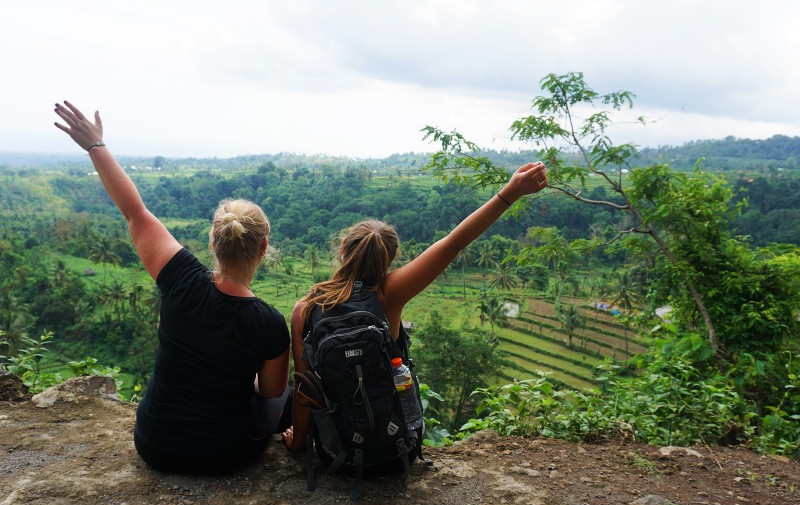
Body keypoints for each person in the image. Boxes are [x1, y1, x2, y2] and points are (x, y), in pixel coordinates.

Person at [53, 101, 290, 473]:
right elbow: (271, 391)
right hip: (225, 455)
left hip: (155, 444)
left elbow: (135, 212)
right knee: (284, 395)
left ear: (213, 242)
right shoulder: (269, 323)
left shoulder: (180, 278)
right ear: (263, 249)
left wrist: (96, 146)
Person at [282, 160, 549, 460]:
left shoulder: (304, 308)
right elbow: (453, 243)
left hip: (339, 452)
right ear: (390, 260)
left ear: (343, 247)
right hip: (396, 448)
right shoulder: (390, 295)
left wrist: (296, 443)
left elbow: (304, 389)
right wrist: (510, 192)